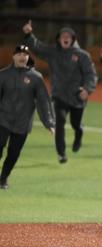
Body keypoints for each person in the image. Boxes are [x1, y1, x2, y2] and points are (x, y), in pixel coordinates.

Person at [22, 20, 97, 164]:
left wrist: (87, 89)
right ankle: (61, 153)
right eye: (63, 35)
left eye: (68, 35)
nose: (65, 37)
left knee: (75, 124)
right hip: (59, 95)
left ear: (73, 39)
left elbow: (90, 74)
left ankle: (79, 132)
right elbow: (38, 48)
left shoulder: (82, 55)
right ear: (58, 38)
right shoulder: (53, 52)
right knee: (59, 122)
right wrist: (28, 34)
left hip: (77, 95)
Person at [0, 45, 55, 189]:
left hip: (23, 123)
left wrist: (49, 123)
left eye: (25, 54)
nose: (22, 57)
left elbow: (44, 101)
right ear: (13, 57)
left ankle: (3, 178)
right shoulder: (3, 75)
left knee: (13, 154)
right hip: (3, 120)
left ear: (28, 58)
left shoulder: (36, 78)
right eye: (19, 54)